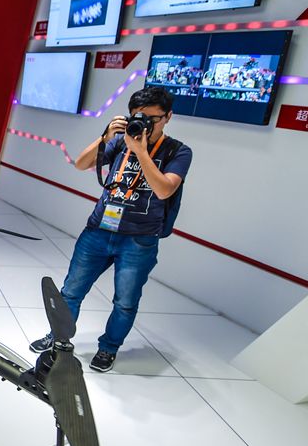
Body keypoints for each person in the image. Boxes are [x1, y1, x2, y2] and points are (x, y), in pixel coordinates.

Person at [29, 87, 192, 372]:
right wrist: (105, 137)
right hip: (98, 231)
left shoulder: (178, 151)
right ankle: (58, 338)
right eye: (139, 117)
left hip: (139, 239)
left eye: (153, 119)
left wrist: (141, 152)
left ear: (168, 117)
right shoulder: (119, 141)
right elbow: (81, 164)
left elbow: (165, 190)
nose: (145, 125)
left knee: (125, 302)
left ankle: (108, 348)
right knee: (70, 291)